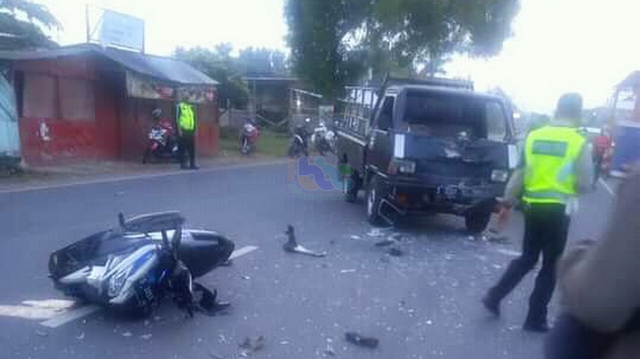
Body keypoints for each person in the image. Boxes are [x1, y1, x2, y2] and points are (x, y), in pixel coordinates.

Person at [481, 93, 594, 332]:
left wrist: (508, 203)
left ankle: (494, 295)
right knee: (551, 264)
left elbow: (519, 174)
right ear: (578, 112)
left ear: (557, 109)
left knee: (528, 257)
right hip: (558, 209)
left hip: (532, 207)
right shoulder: (578, 141)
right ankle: (535, 318)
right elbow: (585, 182)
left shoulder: (535, 136)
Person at [546, 168, 640, 359]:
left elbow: (598, 302)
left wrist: (575, 257)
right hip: (559, 203)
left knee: (572, 333)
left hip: (536, 202)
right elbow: (584, 179)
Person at [176, 101, 198, 170]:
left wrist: (196, 129)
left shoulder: (191, 107)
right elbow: (177, 118)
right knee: (183, 148)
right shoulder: (180, 106)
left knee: (192, 148)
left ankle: (192, 164)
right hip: (183, 130)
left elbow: (194, 119)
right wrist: (179, 129)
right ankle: (183, 164)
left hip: (191, 131)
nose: (188, 98)